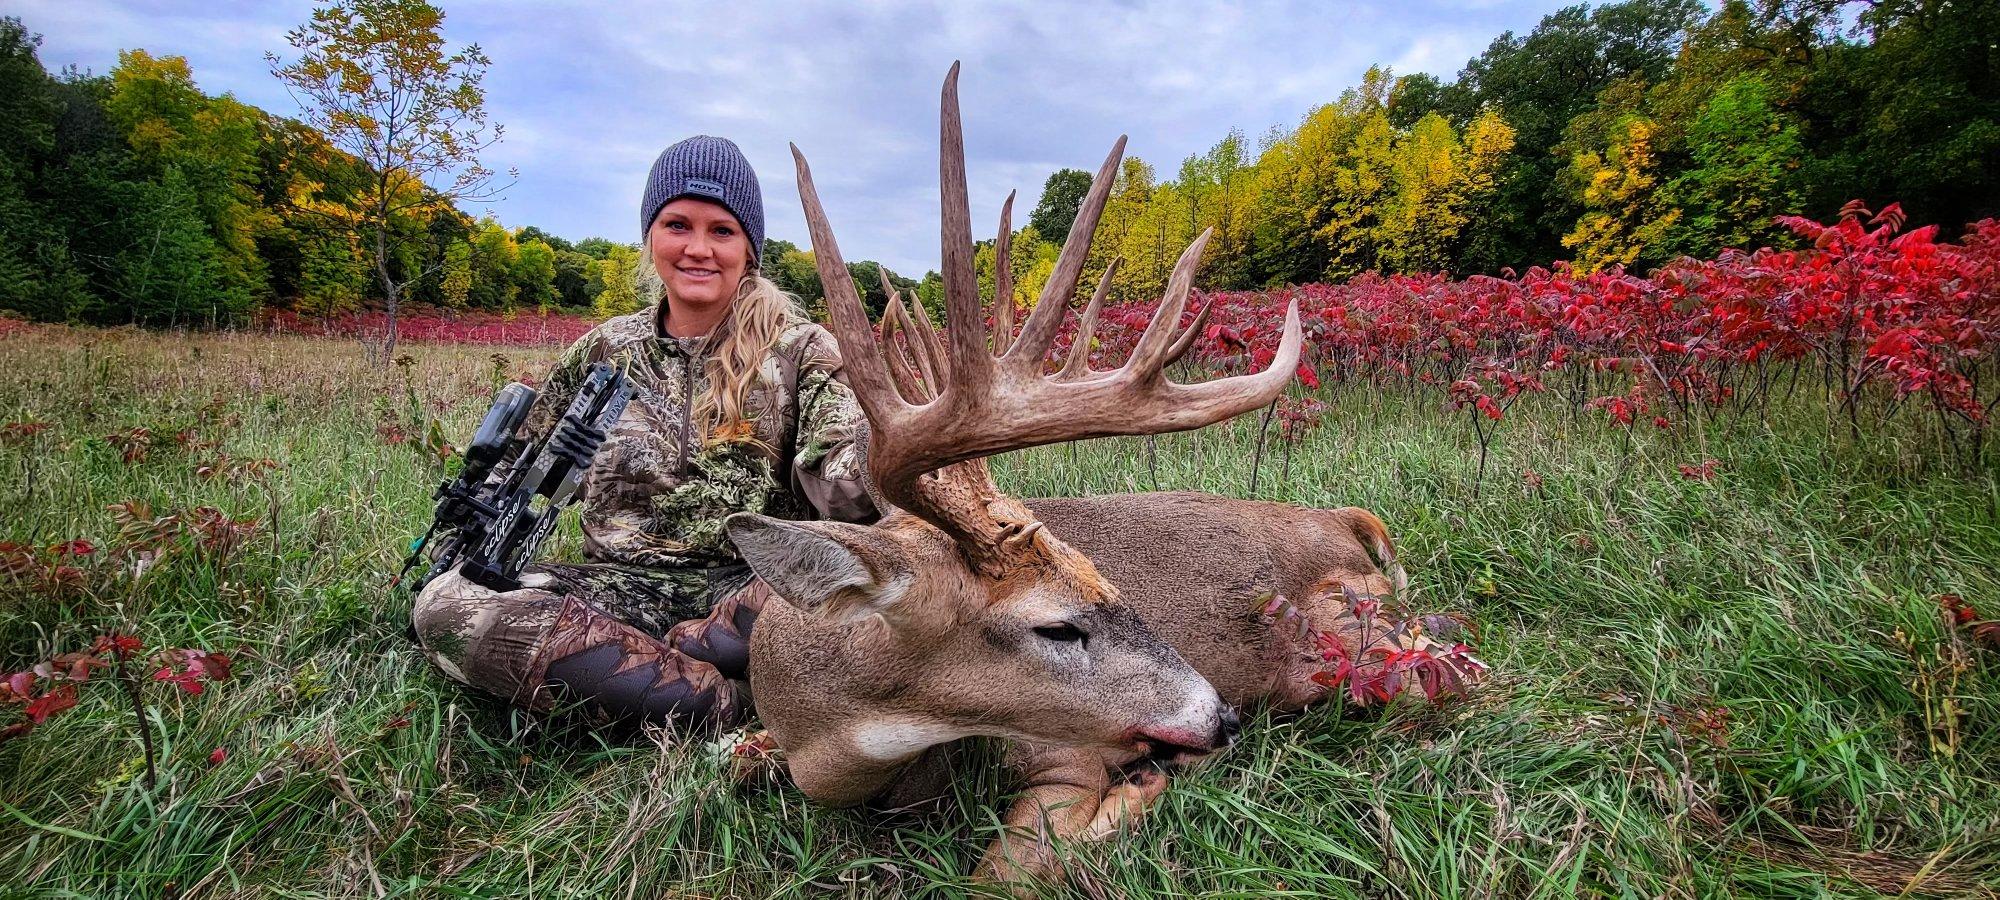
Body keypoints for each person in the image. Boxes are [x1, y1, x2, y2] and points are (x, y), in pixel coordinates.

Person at [409, 136, 879, 731]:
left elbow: (844, 482)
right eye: (677, 224)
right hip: (617, 590)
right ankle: (733, 704)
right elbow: (522, 467)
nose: (698, 249)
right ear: (651, 236)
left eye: (722, 231)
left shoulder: (802, 351)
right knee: (449, 607)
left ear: (749, 248)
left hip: (760, 597)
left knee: (856, 598)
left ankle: (662, 685)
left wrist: (882, 460)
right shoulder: (606, 351)